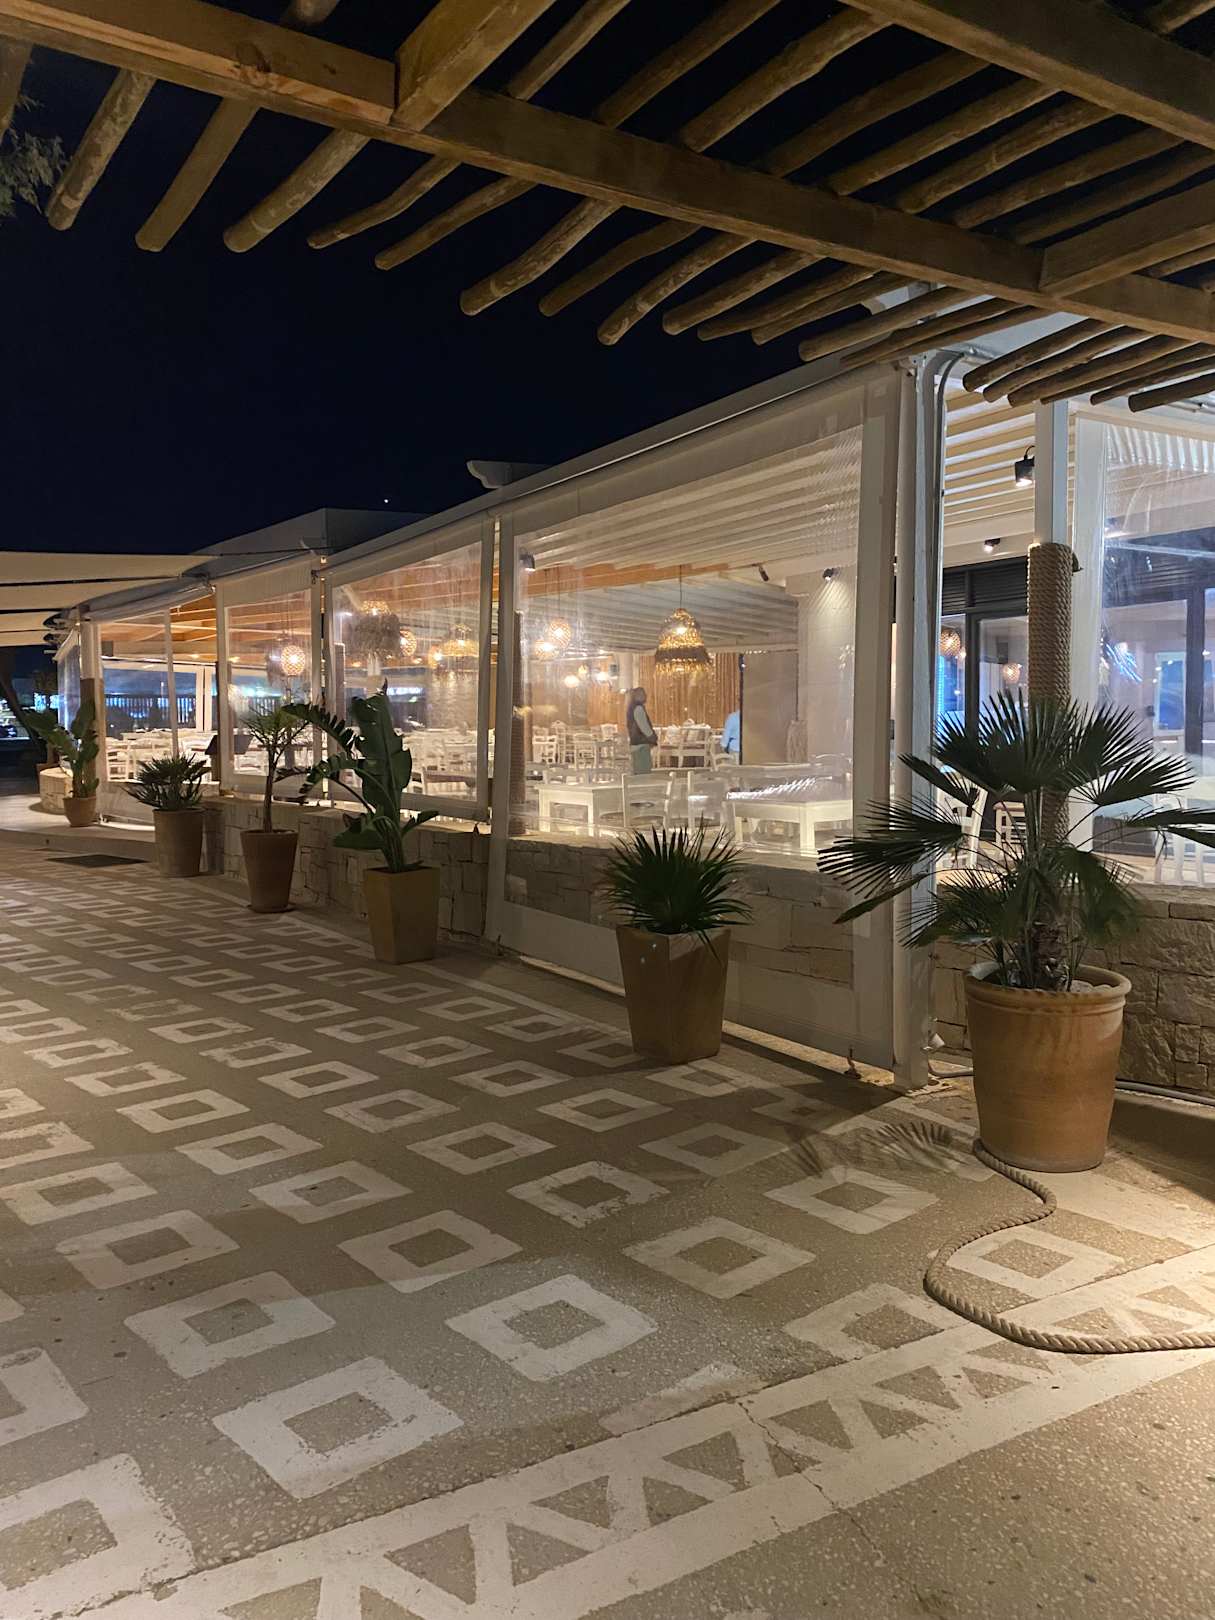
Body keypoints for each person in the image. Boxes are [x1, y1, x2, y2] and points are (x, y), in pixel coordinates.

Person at [625, 686, 657, 774]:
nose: (646, 696)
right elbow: (644, 726)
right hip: (641, 745)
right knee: (643, 773)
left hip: (635, 744)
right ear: (638, 696)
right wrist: (652, 737)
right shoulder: (638, 708)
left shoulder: (631, 708)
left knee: (638, 771)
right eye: (643, 694)